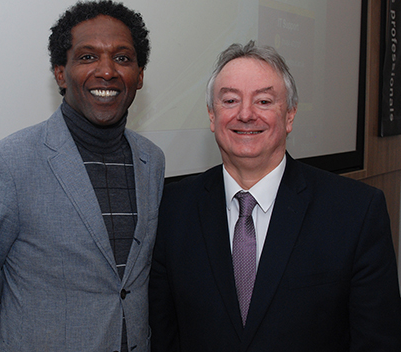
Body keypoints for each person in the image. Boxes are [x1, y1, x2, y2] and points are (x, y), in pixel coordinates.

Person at [149, 41, 401, 351]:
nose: (245, 114)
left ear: (290, 115)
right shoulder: (172, 209)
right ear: (212, 116)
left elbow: (378, 341)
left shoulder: (357, 211)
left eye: (264, 101)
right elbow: (162, 335)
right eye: (230, 100)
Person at [0, 1, 164, 351]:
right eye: (88, 57)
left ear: (139, 75)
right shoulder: (7, 164)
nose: (106, 71)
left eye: (122, 58)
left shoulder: (152, 160)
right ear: (61, 72)